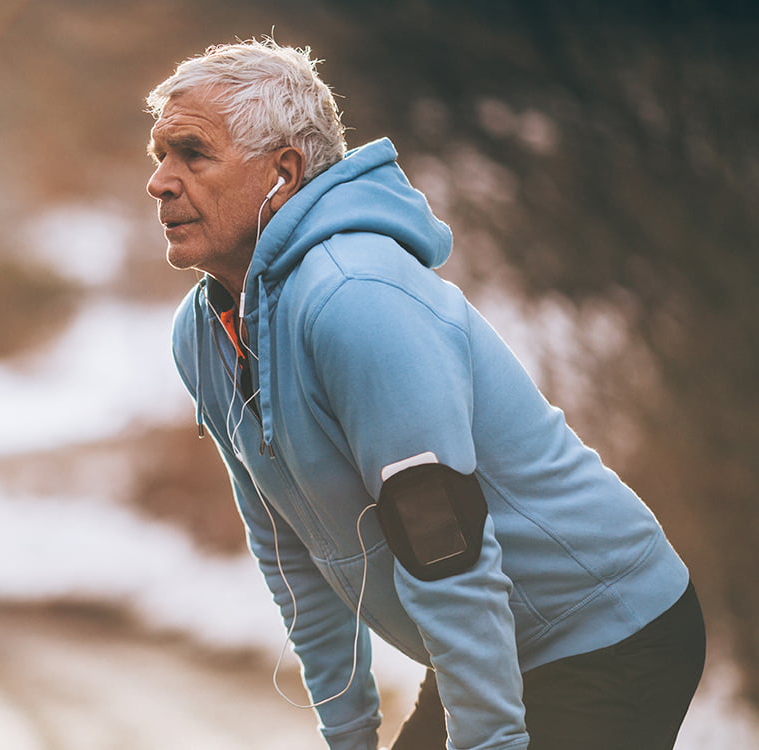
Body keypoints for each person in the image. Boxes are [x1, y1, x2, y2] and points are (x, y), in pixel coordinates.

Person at [145, 39, 705, 750]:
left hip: (606, 632)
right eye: (159, 155)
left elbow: (445, 545)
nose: (160, 181)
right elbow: (288, 550)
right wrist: (348, 734)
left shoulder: (356, 298)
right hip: (488, 633)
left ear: (281, 172)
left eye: (192, 153)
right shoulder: (204, 333)